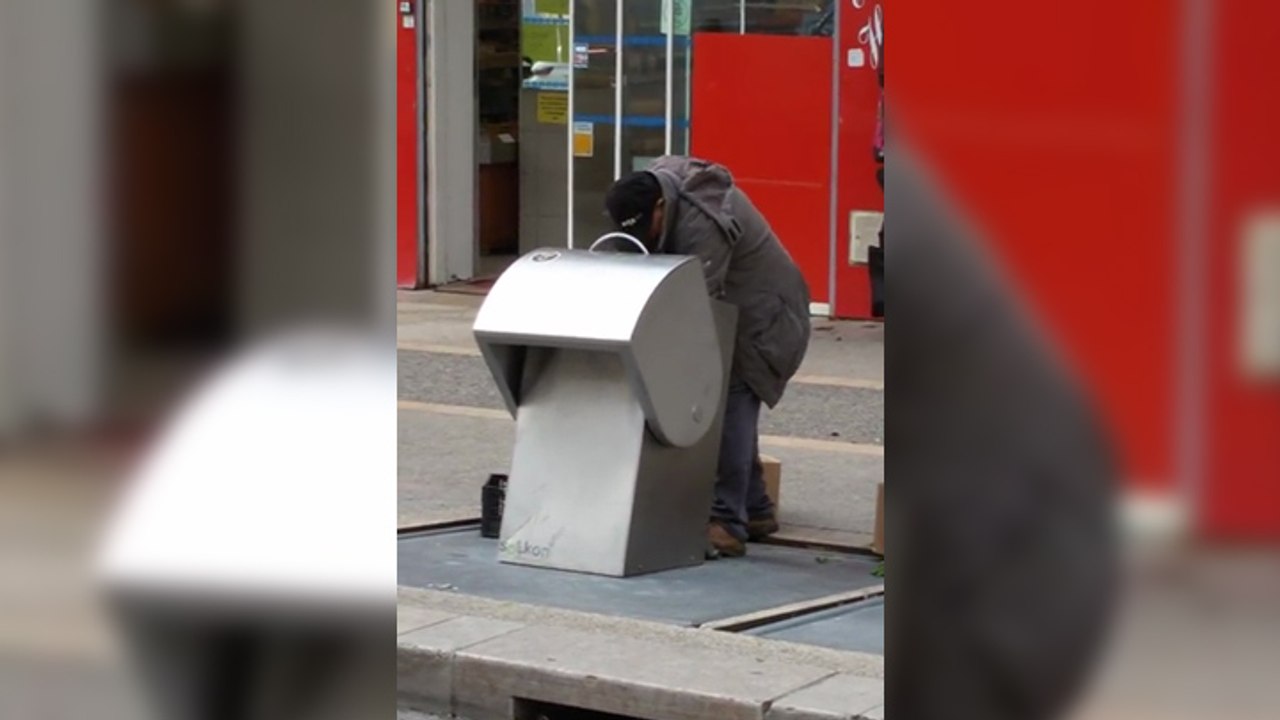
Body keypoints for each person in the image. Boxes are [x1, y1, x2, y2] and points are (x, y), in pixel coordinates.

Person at [603, 156, 811, 558]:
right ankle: (755, 509)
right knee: (732, 405)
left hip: (766, 318)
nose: (647, 238)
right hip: (739, 310)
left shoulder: (702, 222)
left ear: (660, 208)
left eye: (650, 228)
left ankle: (728, 524)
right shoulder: (649, 195)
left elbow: (695, 306)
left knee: (727, 400)